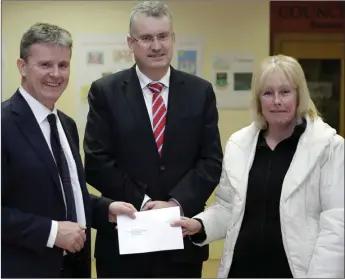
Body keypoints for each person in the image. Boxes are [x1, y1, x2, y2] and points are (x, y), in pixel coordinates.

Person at [83, 1, 223, 278]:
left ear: (173, 38)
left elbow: (211, 160)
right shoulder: (105, 92)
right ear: (130, 43)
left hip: (181, 242)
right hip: (123, 242)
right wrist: (144, 202)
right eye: (146, 38)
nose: (156, 46)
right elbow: (97, 161)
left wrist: (174, 204)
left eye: (163, 36)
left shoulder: (200, 92)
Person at [172, 54, 344, 278]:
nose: (276, 101)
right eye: (268, 93)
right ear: (258, 99)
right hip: (242, 270)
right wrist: (200, 224)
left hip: (295, 272)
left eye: (285, 92)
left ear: (299, 95)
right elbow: (229, 208)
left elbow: (336, 224)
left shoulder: (329, 147)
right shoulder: (239, 144)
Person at [1, 23, 137, 278]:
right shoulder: (3, 124)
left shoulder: (66, 124)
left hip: (75, 268)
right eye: (45, 65)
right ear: (22, 67)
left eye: (63, 65)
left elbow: (66, 193)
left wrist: (106, 209)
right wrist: (51, 232)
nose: (56, 74)